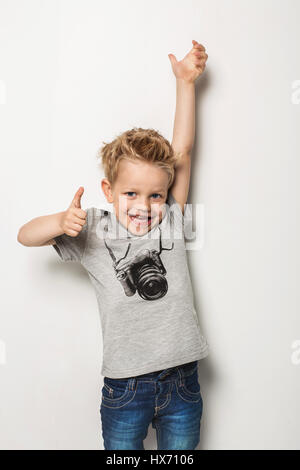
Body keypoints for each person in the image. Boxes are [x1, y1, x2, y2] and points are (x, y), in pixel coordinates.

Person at [17, 40, 209, 450]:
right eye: (131, 194)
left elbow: (184, 152)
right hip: (125, 386)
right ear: (108, 190)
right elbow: (24, 235)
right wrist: (58, 221)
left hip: (183, 381)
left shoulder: (172, 221)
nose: (144, 206)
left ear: (167, 192)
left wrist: (186, 83)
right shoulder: (92, 229)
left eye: (155, 195)